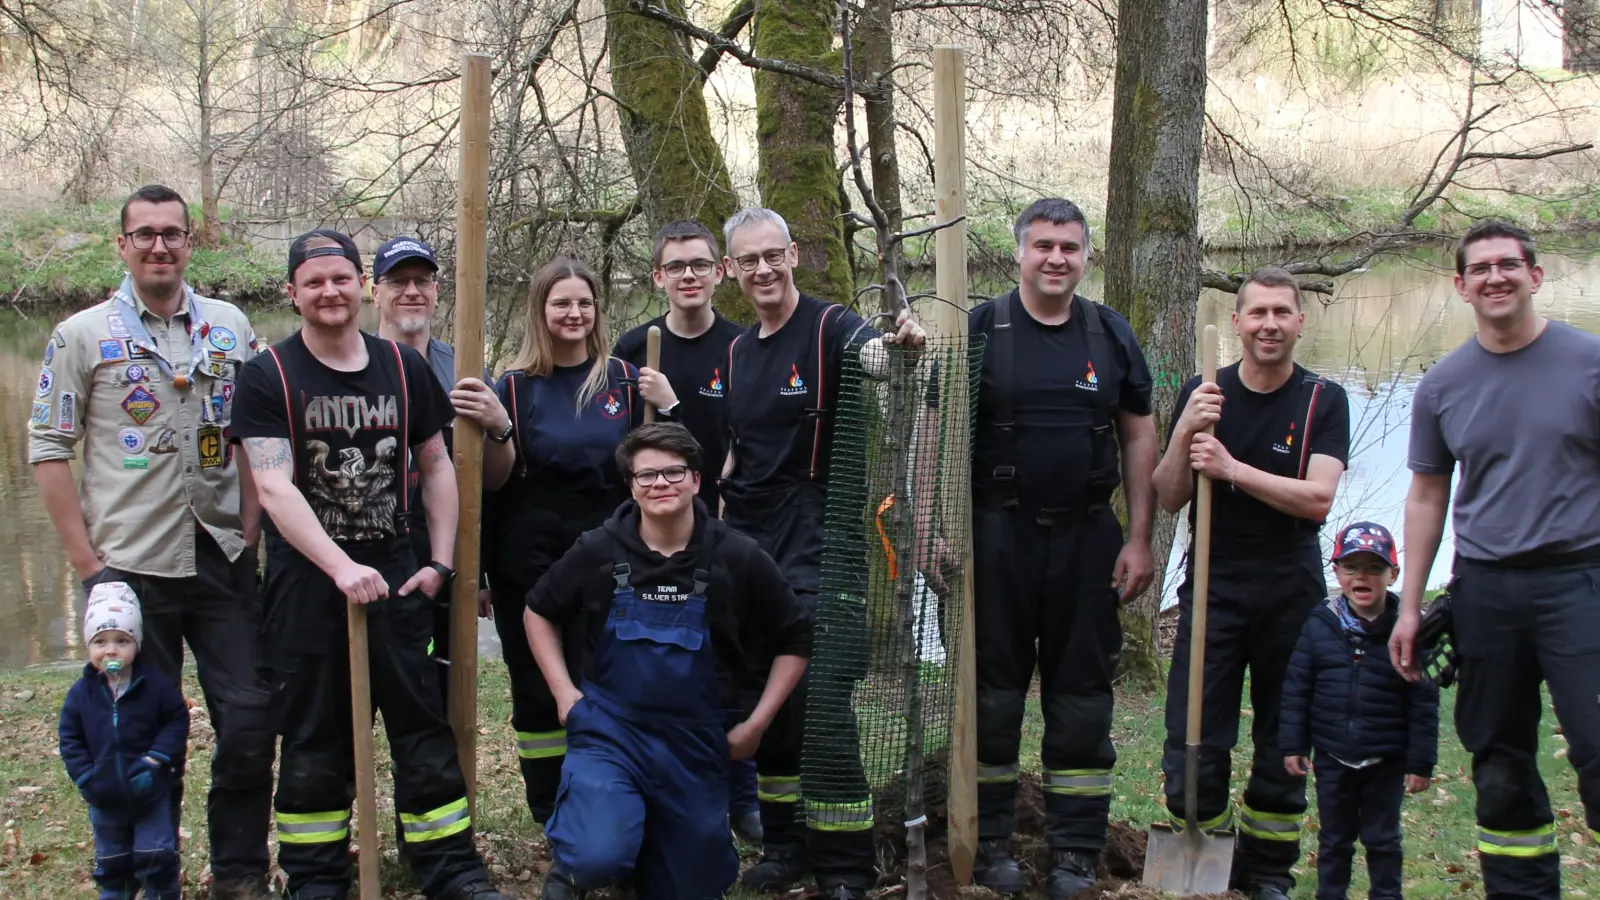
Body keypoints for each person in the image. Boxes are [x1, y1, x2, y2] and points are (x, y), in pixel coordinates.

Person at [232, 230, 504, 900]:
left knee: (423, 731)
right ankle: (318, 877)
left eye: (340, 278)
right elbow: (273, 486)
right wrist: (338, 566)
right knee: (311, 740)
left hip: (401, 579)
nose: (330, 292)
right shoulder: (268, 375)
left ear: (360, 285)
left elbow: (436, 466)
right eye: (314, 281)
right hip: (306, 591)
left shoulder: (403, 369)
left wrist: (440, 561)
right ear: (293, 293)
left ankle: (451, 868)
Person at [29, 183, 275, 900]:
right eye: (145, 234)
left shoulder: (229, 326)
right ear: (123, 245)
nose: (160, 246)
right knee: (137, 732)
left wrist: (253, 524)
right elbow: (49, 446)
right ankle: (148, 874)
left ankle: (238, 873)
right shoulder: (82, 335)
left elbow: (256, 431)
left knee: (251, 720)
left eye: (173, 233)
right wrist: (86, 565)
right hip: (129, 563)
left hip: (222, 554)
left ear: (191, 242)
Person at [1389, 219, 1600, 900]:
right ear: (1460, 286)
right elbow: (1425, 496)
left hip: (1580, 582)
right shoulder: (1443, 385)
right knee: (1501, 763)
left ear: (1536, 276)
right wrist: (1411, 605)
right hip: (1486, 591)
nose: (1495, 277)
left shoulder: (1589, 364)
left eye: (1508, 265)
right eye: (1479, 269)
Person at [718, 206, 925, 900]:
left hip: (823, 542)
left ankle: (845, 865)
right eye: (748, 260)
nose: (763, 270)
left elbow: (880, 360)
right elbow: (735, 456)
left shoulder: (832, 326)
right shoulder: (740, 353)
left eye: (773, 255)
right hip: (747, 546)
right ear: (732, 271)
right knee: (762, 696)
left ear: (795, 253)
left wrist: (901, 348)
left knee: (822, 701)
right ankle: (786, 846)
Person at [526, 423, 811, 899]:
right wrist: (565, 694)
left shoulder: (738, 556)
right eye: (647, 476)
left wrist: (757, 724)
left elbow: (796, 636)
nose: (661, 484)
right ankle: (578, 866)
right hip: (610, 735)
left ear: (697, 480)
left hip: (695, 743)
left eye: (674, 473)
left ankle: (644, 860)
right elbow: (538, 611)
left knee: (691, 886)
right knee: (596, 855)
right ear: (632, 487)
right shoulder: (598, 548)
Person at [966, 198, 1159, 897]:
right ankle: (990, 842)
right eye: (1043, 245)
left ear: (1086, 257)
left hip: (1087, 538)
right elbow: (937, 428)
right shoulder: (983, 329)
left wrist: (1139, 537)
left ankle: (1075, 849)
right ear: (1018, 253)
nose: (1056, 258)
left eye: (1070, 248)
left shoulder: (1108, 334)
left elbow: (1139, 432)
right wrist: (930, 529)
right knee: (992, 697)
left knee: (1082, 697)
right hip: (996, 536)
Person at [1152, 266, 1350, 900]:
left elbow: (1318, 498)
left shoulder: (1323, 399)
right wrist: (1187, 429)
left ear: (1299, 321)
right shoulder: (1204, 390)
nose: (1269, 324)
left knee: (1283, 741)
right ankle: (1211, 852)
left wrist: (1232, 468)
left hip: (1290, 589)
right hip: (1214, 586)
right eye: (1257, 313)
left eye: (1281, 313)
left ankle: (1266, 873)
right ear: (1236, 322)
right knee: (1192, 744)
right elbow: (1166, 497)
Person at [479, 257, 643, 826]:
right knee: (535, 684)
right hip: (528, 558)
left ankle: (609, 797)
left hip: (610, 553)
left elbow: (655, 471)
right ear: (540, 311)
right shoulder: (514, 387)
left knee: (607, 673)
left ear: (597, 309)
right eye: (561, 303)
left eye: (583, 302)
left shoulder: (624, 380)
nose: (574, 313)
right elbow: (491, 488)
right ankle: (550, 807)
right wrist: (478, 571)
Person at [612, 219, 761, 840]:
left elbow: (738, 447)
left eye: (701, 264)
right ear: (659, 278)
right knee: (666, 660)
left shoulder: (744, 346)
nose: (690, 277)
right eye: (677, 267)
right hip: (655, 534)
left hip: (724, 526)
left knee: (730, 657)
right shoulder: (633, 348)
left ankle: (744, 796)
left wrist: (675, 406)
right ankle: (666, 789)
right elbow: (630, 455)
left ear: (720, 271)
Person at [371, 235, 504, 702]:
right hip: (373, 545)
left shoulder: (464, 369)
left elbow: (490, 482)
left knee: (443, 691)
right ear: (375, 292)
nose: (412, 291)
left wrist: (482, 570)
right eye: (398, 281)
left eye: (422, 281)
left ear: (437, 290)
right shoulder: (354, 364)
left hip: (447, 552)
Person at [1280, 522, 1437, 900]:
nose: (1361, 576)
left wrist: (1420, 762)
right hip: (1334, 756)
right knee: (1334, 838)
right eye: (1351, 567)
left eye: (1373, 568)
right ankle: (1330, 894)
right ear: (1336, 571)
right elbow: (1298, 686)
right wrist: (1293, 743)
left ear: (1392, 574)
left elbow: (1423, 702)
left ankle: (1387, 894)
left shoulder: (1407, 631)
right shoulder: (1320, 625)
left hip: (1387, 758)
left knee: (1383, 838)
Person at [60, 583, 189, 900]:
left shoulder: (155, 686)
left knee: (156, 853)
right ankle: (116, 891)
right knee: (112, 858)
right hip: (103, 791)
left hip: (149, 786)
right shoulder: (81, 695)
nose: (111, 650)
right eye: (100, 641)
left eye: (122, 640)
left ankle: (161, 892)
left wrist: (157, 759)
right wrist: (85, 775)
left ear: (137, 644)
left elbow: (176, 720)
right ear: (88, 646)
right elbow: (70, 738)